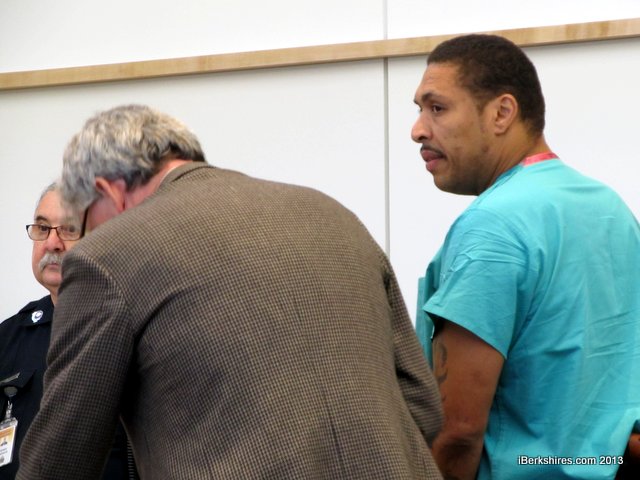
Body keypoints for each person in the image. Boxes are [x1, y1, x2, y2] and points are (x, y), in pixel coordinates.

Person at [17, 104, 444, 479]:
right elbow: (422, 405)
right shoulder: (333, 214)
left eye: (84, 222)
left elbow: (62, 457)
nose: (89, 236)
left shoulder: (106, 257)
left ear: (107, 191)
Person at [411, 34, 640, 479]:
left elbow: (458, 431)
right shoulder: (609, 207)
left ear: (502, 112)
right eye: (419, 109)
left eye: (437, 108)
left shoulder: (493, 225)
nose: (418, 129)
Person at [0, 184, 138, 480]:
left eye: (69, 229)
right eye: (42, 228)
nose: (52, 243)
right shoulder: (9, 337)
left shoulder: (133, 328)